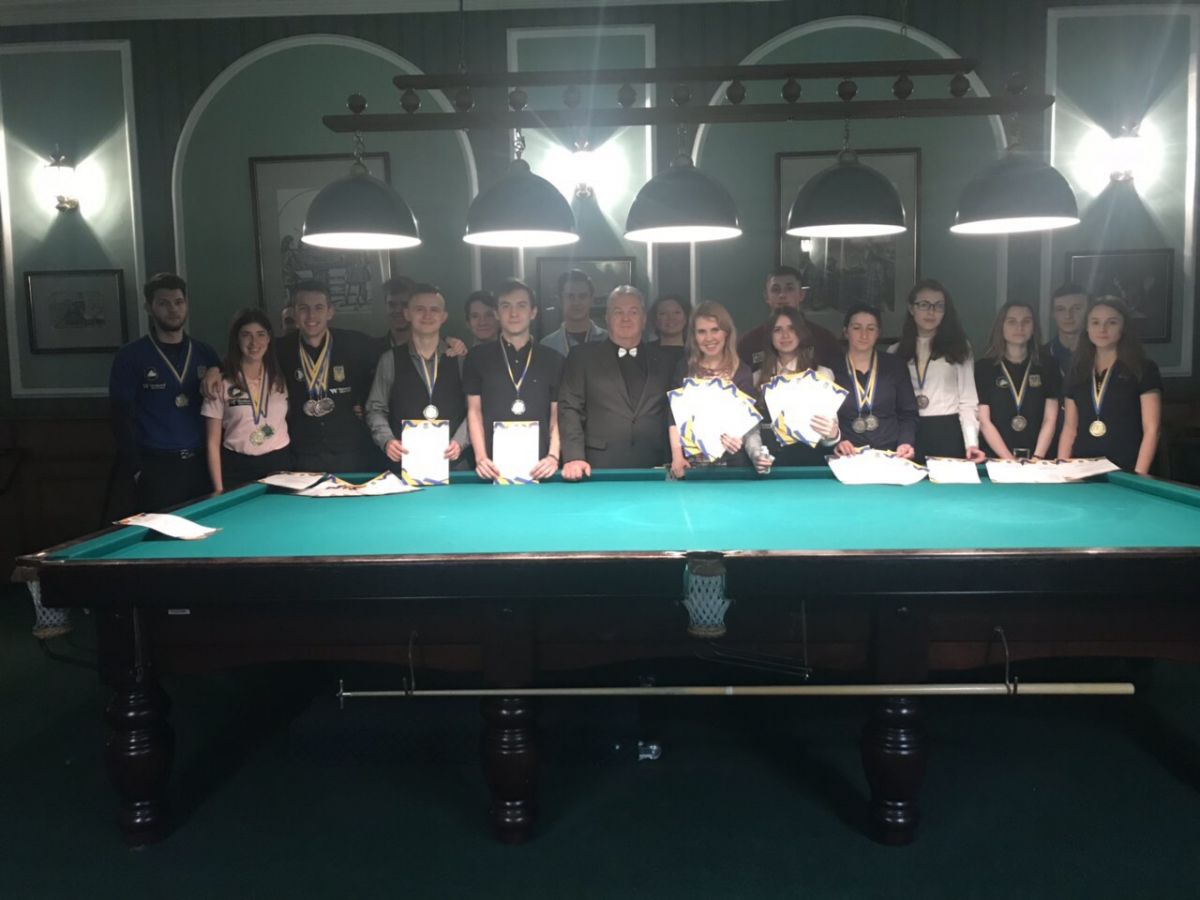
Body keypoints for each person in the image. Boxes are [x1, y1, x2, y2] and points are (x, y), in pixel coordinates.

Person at [109, 272, 221, 511]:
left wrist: (218, 370)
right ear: (148, 307)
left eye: (178, 302)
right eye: (163, 303)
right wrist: (137, 470)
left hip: (201, 463)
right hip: (157, 465)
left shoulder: (206, 353)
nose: (173, 310)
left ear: (186, 304)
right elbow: (120, 417)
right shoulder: (130, 356)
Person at [559, 286, 675, 478]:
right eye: (618, 312)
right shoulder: (582, 357)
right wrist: (573, 457)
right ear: (607, 318)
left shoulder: (664, 361)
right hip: (598, 467)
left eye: (633, 312)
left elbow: (674, 412)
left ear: (644, 319)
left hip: (655, 466)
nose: (625, 318)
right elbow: (570, 409)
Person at [273, 280, 379, 472]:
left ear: (330, 312)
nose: (311, 315)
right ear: (294, 313)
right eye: (303, 308)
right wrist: (217, 370)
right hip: (302, 453)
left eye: (319, 308)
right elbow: (243, 363)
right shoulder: (279, 349)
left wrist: (365, 403)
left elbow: (394, 358)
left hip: (351, 451)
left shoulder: (356, 343)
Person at [464, 279, 564, 481]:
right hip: (491, 469)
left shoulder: (553, 359)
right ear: (496, 313)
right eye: (506, 306)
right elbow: (474, 411)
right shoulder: (477, 357)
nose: (513, 313)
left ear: (533, 312)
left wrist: (553, 456)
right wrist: (480, 457)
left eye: (521, 305)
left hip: (542, 468)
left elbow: (558, 414)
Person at [365, 284, 468, 470]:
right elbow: (375, 408)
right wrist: (387, 440)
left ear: (444, 316)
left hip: (454, 465)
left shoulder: (460, 359)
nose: (427, 315)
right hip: (404, 465)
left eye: (434, 310)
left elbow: (475, 409)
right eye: (419, 309)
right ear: (407, 314)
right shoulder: (389, 359)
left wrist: (460, 441)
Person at [1058, 297, 1161, 474]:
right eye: (1095, 322)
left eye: (1111, 322)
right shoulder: (1076, 370)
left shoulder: (1142, 368)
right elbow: (1069, 428)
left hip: (1126, 469)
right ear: (1087, 328)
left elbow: (1152, 429)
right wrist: (1061, 470)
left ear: (1123, 327)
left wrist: (1139, 475)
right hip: (1082, 469)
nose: (1102, 329)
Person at [890, 279, 985, 463]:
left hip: (948, 432)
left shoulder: (959, 348)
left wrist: (971, 443)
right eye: (924, 305)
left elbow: (968, 401)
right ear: (911, 308)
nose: (931, 312)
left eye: (939, 306)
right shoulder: (895, 351)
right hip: (908, 434)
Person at [668, 300, 763, 478]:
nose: (709, 338)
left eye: (715, 330)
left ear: (726, 332)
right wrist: (677, 456)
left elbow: (748, 423)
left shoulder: (742, 371)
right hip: (692, 465)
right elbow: (674, 417)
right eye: (701, 332)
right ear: (694, 336)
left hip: (734, 464)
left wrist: (739, 438)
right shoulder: (684, 368)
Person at [202, 308, 291, 492]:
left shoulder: (281, 375)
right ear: (237, 339)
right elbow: (212, 443)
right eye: (246, 335)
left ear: (269, 338)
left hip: (279, 464)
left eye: (260, 334)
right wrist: (218, 489)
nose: (254, 342)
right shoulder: (221, 381)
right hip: (237, 467)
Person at [752, 307, 840, 470]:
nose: (785, 335)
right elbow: (753, 429)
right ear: (770, 336)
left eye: (791, 328)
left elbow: (829, 436)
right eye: (778, 330)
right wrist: (755, 454)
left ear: (801, 332)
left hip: (810, 466)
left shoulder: (822, 374)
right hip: (769, 466)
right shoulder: (757, 378)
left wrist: (833, 434)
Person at [976, 302, 1061, 460]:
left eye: (1026, 321)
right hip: (997, 459)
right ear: (1001, 326)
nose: (1019, 327)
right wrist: (1010, 461)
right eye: (1012, 321)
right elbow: (984, 421)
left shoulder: (1048, 366)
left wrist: (1037, 458)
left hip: (1039, 459)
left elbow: (1050, 419)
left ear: (1034, 327)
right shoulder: (984, 368)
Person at [832, 305, 918, 459]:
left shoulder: (895, 366)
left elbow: (908, 413)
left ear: (878, 333)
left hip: (891, 454)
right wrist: (837, 440)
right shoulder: (831, 369)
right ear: (846, 332)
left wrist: (906, 442)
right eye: (856, 328)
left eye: (871, 329)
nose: (864, 335)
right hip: (847, 455)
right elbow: (824, 416)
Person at [736, 266, 841, 371]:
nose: (782, 295)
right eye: (776, 290)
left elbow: (838, 377)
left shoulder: (824, 340)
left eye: (789, 289)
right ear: (766, 296)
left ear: (801, 294)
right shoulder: (749, 342)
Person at [540, 269, 607, 354]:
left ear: (591, 299)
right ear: (561, 300)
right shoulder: (546, 346)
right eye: (570, 296)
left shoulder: (609, 340)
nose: (576, 302)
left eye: (582, 296)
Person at [1044, 283, 1088, 382]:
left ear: (1089, 311)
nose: (1068, 315)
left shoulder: (1102, 355)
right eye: (1061, 309)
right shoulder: (1039, 357)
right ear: (1053, 314)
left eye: (1076, 308)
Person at [647, 294, 689, 367]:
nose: (671, 318)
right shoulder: (645, 352)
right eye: (663, 313)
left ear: (686, 318)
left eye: (677, 312)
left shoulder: (696, 351)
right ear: (655, 320)